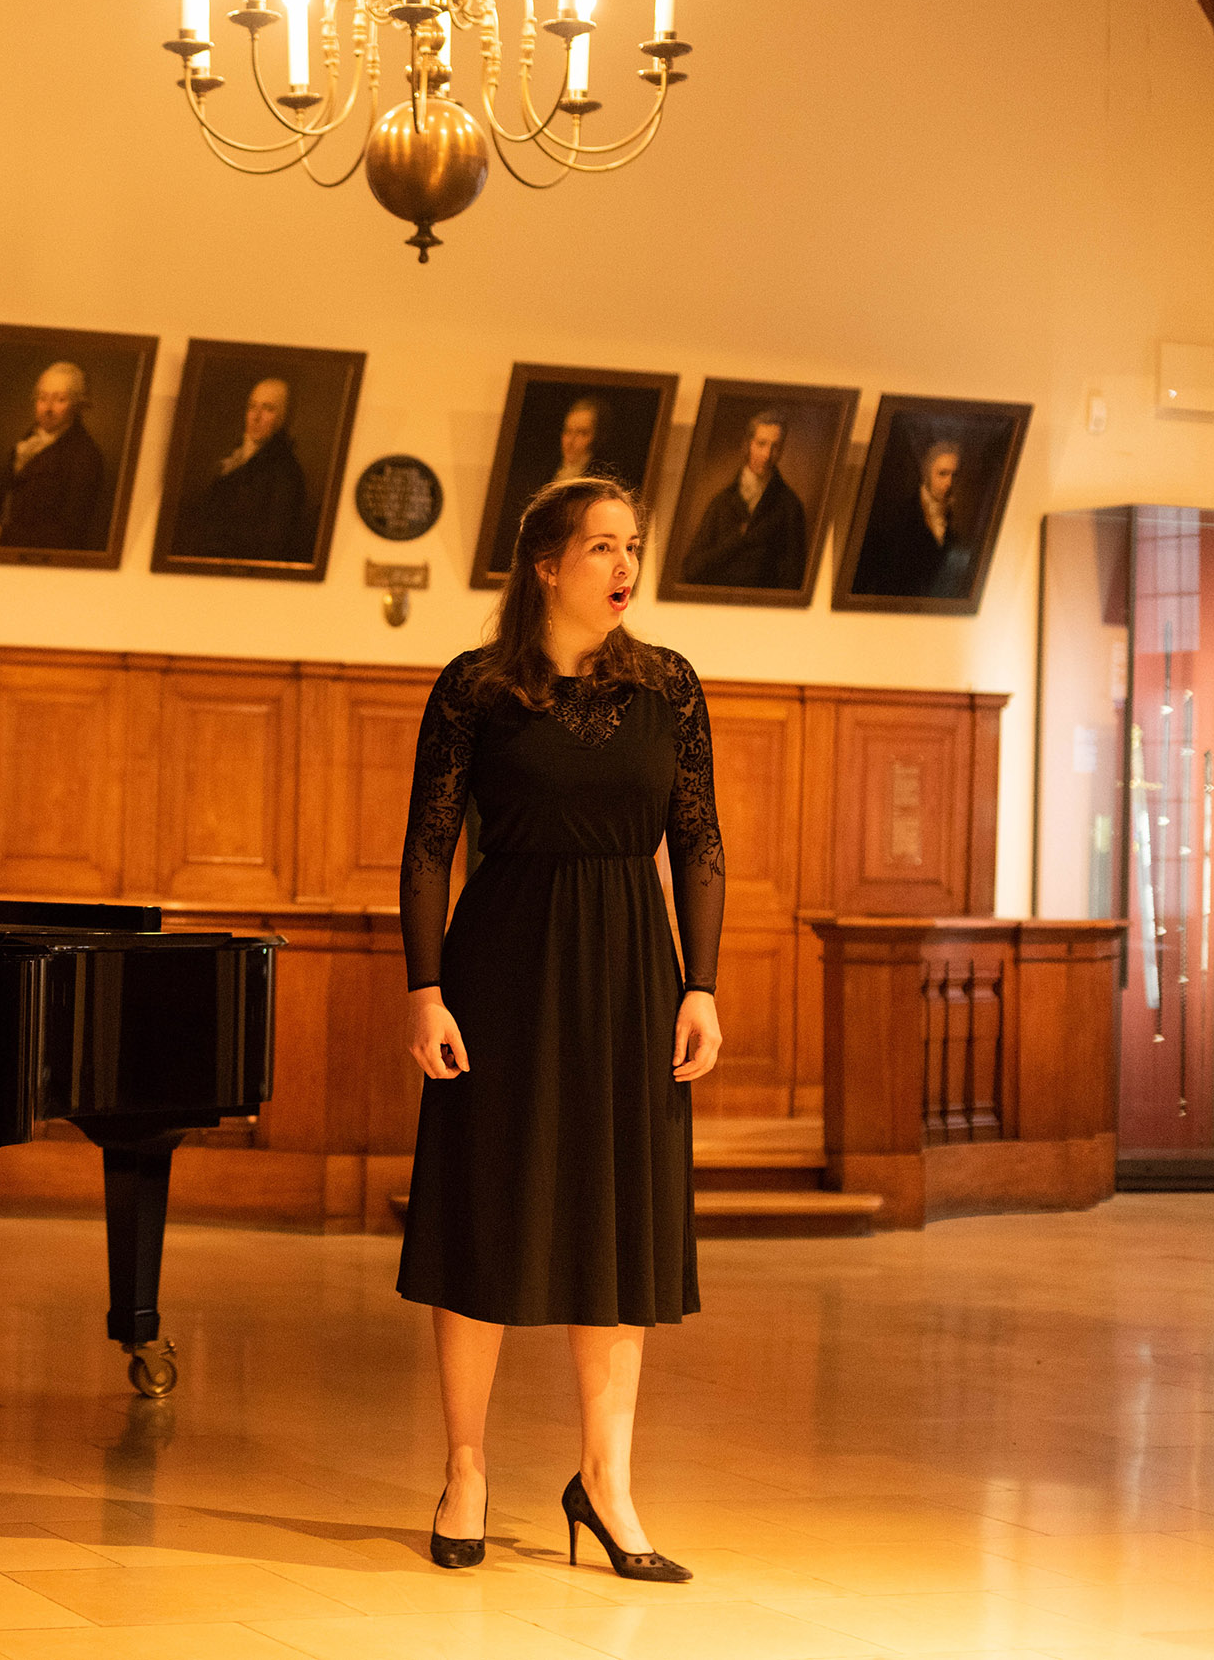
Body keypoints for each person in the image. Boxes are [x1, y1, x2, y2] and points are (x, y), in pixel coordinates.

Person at [397, 476, 724, 1583]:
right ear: (544, 565)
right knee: (486, 1214)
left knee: (618, 1226)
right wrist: (425, 989)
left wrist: (703, 985)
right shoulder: (476, 689)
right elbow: (428, 848)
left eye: (632, 547)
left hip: (635, 969)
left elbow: (701, 843)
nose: (625, 567)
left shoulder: (671, 688)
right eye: (601, 548)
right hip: (501, 969)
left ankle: (608, 1485)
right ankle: (467, 1469)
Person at [0, 361, 106, 551]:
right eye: (42, 398)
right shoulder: (28, 441)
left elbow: (70, 534)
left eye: (60, 399)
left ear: (76, 405)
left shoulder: (85, 456)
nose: (48, 408)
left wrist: (4, 535)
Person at [174, 376, 309, 562]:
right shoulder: (235, 456)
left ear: (284, 417)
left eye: (268, 408)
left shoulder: (286, 474)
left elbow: (272, 545)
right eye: (252, 407)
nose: (256, 417)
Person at [676, 409, 810, 591]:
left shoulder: (790, 506)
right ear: (748, 444)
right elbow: (692, 569)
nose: (767, 455)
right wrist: (736, 540)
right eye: (761, 444)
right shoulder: (721, 502)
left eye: (775, 447)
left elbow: (792, 580)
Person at [851, 435, 971, 599]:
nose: (949, 483)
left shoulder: (953, 526)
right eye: (942, 474)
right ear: (927, 473)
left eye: (954, 475)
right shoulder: (896, 518)